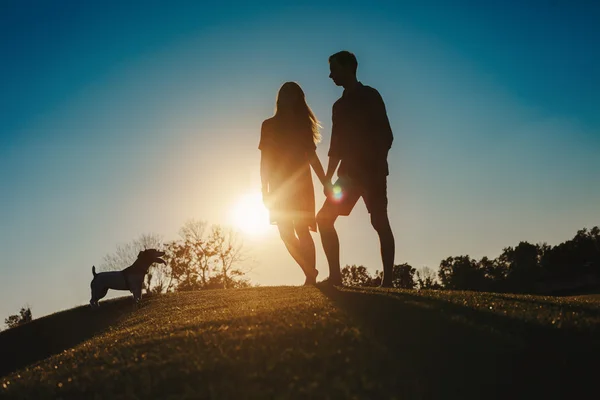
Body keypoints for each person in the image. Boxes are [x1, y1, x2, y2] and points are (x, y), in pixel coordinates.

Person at [317, 50, 396, 287]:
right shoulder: (338, 106)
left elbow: (387, 135)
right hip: (347, 176)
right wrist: (328, 179)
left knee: (379, 221)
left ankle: (388, 281)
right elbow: (335, 146)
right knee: (324, 218)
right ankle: (335, 277)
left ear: (348, 68)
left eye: (334, 69)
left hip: (372, 174)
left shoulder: (370, 95)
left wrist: (374, 165)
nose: (330, 75)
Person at [259, 82, 328, 285]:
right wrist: (264, 189)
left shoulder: (302, 127)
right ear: (280, 98)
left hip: (301, 184)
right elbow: (265, 160)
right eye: (286, 95)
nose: (290, 99)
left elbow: (313, 158)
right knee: (284, 232)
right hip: (278, 186)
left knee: (302, 229)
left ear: (299, 100)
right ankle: (310, 270)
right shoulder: (268, 125)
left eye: (294, 96)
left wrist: (325, 181)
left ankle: (309, 278)